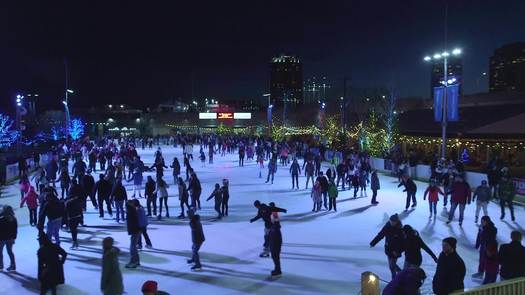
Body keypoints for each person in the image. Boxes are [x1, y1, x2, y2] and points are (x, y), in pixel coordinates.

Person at [370, 214, 404, 279]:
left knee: (392, 266)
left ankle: (394, 280)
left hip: (396, 251)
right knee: (392, 265)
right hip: (388, 249)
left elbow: (402, 243)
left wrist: (397, 251)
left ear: (396, 222)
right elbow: (380, 235)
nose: (391, 223)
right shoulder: (387, 226)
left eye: (393, 222)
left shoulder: (400, 229)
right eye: (390, 221)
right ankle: (401, 273)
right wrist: (373, 243)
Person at [0, 206, 17, 271]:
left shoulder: (2, 219)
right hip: (10, 238)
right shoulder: (13, 219)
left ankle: (1, 265)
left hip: (2, 238)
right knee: (10, 252)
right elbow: (15, 229)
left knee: (0, 252)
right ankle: (13, 265)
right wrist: (14, 238)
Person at [126, 200, 141, 268]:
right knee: (133, 247)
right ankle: (136, 261)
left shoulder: (131, 212)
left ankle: (133, 261)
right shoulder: (133, 210)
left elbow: (132, 223)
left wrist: (131, 231)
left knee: (132, 248)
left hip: (135, 231)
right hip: (135, 231)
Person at [268, 211, 282, 277]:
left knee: (275, 257)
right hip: (275, 244)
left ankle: (278, 270)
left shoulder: (275, 228)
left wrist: (272, 246)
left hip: (275, 245)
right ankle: (277, 269)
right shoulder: (275, 226)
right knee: (276, 257)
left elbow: (274, 237)